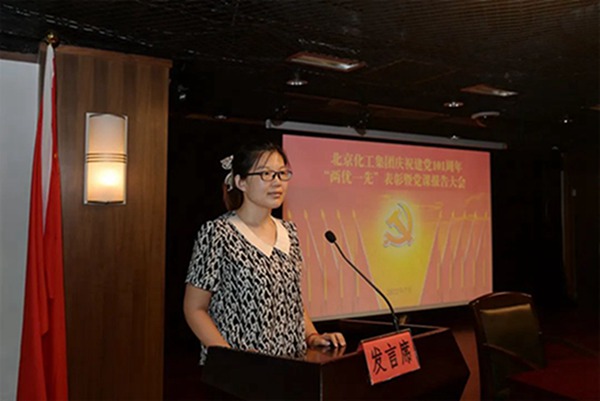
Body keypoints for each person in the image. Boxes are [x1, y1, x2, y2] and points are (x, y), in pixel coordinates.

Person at [183, 141, 345, 365]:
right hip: (240, 371)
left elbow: (291, 299)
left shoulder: (289, 231)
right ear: (240, 182)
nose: (277, 182)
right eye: (266, 174)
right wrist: (229, 358)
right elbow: (194, 309)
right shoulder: (218, 233)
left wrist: (312, 336)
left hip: (291, 366)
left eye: (282, 173)